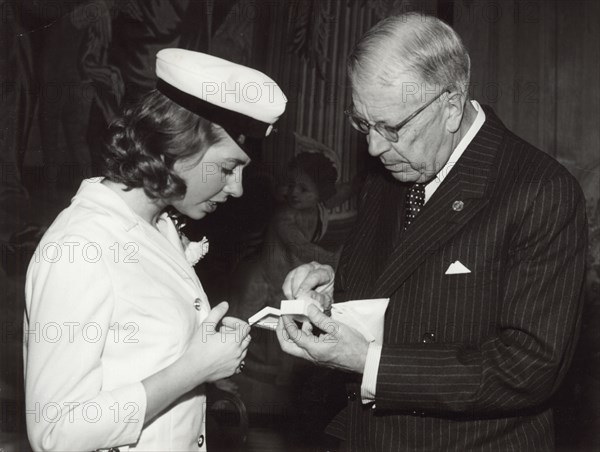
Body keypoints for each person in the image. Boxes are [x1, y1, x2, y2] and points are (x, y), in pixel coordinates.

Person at [275, 13, 588, 451]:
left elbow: (530, 368)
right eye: (362, 123)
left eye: (391, 127)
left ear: (451, 107)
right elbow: (401, 287)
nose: (373, 147)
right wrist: (333, 293)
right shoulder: (392, 171)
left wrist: (369, 364)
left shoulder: (540, 191)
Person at [23, 49, 287, 451]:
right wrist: (192, 369)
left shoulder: (158, 226)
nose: (237, 188)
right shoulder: (79, 249)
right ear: (180, 146)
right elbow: (55, 433)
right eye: (230, 167)